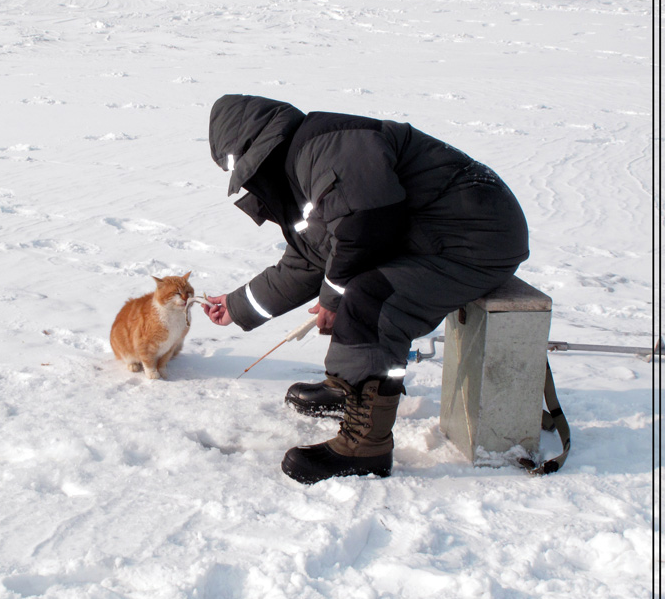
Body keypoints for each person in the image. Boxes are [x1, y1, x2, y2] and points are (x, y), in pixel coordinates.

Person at [202, 95, 529, 484]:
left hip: (476, 237)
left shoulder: (328, 146)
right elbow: (309, 260)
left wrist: (334, 297)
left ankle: (367, 446)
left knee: (371, 299)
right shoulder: (300, 171)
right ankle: (350, 390)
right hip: (438, 237)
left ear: (261, 150)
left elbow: (369, 225)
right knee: (353, 285)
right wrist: (237, 305)